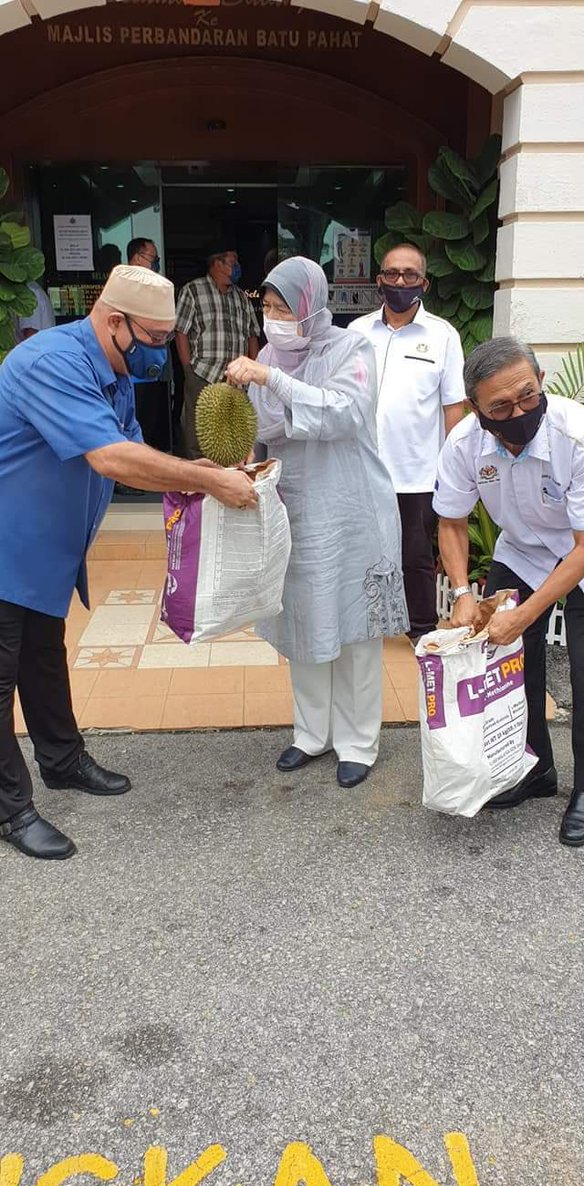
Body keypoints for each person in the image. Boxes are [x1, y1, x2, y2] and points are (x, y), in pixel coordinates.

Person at [0, 264, 257, 863]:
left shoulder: (112, 368)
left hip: (43, 553)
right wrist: (207, 480)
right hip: (8, 547)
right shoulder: (53, 363)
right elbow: (112, 458)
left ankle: (61, 760)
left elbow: (137, 448)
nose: (160, 352)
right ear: (114, 321)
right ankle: (10, 808)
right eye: (155, 338)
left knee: (42, 658)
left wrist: (198, 474)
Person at [226, 256, 409, 789]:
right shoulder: (268, 356)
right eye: (268, 307)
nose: (274, 318)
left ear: (311, 305)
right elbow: (265, 430)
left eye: (285, 308)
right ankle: (311, 733)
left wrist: (273, 380)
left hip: (352, 511)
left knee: (354, 630)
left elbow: (344, 413)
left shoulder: (352, 348)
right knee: (303, 621)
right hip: (299, 510)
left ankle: (358, 741)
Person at [434, 335, 584, 848]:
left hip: (580, 551)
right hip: (521, 550)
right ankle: (533, 768)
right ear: (476, 409)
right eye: (500, 406)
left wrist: (526, 613)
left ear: (541, 382)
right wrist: (461, 592)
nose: (518, 412)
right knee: (508, 664)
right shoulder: (463, 444)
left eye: (527, 396)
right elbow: (451, 522)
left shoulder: (575, 436)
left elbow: (581, 548)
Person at [350, 243, 465, 642]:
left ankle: (421, 630)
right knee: (361, 550)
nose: (400, 281)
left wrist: (452, 472)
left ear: (424, 283)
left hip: (417, 472)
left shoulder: (443, 336)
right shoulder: (357, 333)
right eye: (392, 274)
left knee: (415, 556)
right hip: (363, 467)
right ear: (379, 280)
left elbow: (453, 408)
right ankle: (364, 623)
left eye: (410, 275)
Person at [175, 249, 260, 459]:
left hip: (237, 377)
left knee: (234, 435)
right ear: (217, 263)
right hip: (203, 373)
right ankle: (199, 477)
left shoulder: (241, 297)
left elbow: (252, 335)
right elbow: (181, 331)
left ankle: (230, 474)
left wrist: (255, 368)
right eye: (233, 262)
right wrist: (188, 370)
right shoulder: (193, 291)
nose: (237, 266)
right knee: (198, 436)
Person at [126, 236, 173, 457]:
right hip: (130, 375)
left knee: (149, 431)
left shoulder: (154, 288)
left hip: (153, 372)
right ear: (137, 259)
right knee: (131, 431)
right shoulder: (124, 288)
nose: (156, 263)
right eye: (153, 258)